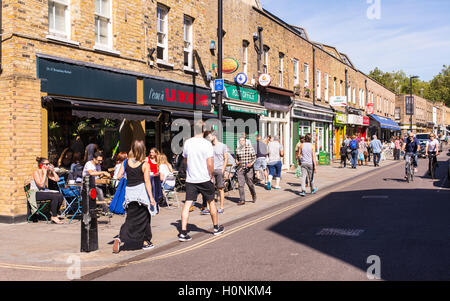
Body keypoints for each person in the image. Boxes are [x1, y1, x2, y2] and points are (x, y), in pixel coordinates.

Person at [178, 120, 224, 242]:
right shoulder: (207, 144)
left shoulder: (187, 143)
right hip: (204, 178)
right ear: (204, 130)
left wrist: (190, 170)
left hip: (191, 179)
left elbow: (185, 160)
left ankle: (183, 232)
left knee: (188, 203)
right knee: (211, 202)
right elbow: (210, 163)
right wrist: (212, 175)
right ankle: (216, 228)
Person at [113, 140, 156, 253]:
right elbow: (147, 182)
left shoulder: (126, 162)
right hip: (141, 194)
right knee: (143, 218)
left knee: (132, 217)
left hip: (129, 194)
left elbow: (118, 176)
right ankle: (122, 237)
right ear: (143, 150)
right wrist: (151, 197)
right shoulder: (145, 164)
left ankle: (145, 240)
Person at [31, 157, 65, 224]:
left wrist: (53, 171)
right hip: (35, 193)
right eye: (46, 164)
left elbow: (57, 179)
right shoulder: (36, 172)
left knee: (60, 195)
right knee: (54, 196)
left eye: (48, 164)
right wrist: (44, 173)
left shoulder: (46, 173)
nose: (48, 165)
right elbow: (41, 184)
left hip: (43, 191)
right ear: (41, 165)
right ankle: (54, 216)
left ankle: (54, 214)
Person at [206, 131, 228, 214]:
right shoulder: (209, 146)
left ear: (214, 136)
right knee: (209, 189)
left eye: (210, 136)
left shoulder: (222, 146)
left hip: (219, 170)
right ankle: (208, 208)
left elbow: (226, 158)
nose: (209, 138)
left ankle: (221, 207)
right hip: (211, 171)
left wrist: (223, 169)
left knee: (220, 189)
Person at [235, 136, 257, 206]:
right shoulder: (237, 149)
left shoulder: (250, 148)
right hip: (240, 168)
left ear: (245, 141)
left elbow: (254, 158)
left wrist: (251, 164)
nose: (241, 142)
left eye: (242, 141)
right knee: (240, 184)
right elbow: (236, 158)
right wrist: (237, 162)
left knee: (250, 183)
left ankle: (253, 194)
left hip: (248, 169)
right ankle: (242, 200)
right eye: (240, 141)